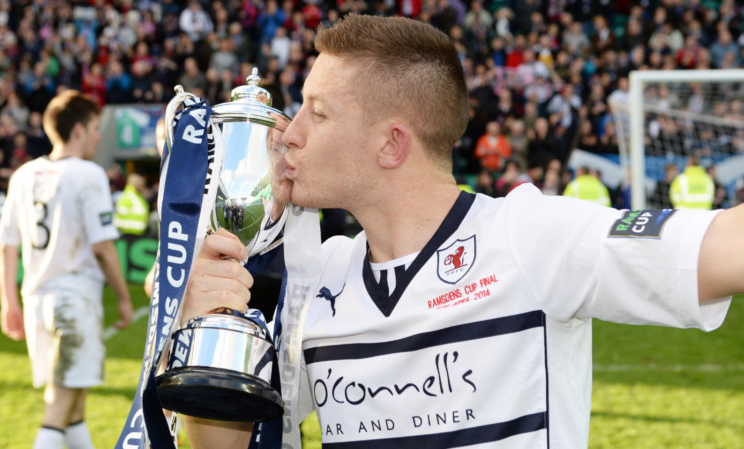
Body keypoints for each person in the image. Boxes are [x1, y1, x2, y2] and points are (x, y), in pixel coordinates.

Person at [178, 15, 743, 449]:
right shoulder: (318, 283)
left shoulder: (528, 235)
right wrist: (207, 345)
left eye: (316, 113)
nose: (288, 134)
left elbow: (723, 249)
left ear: (391, 143)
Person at [0, 90, 133, 449]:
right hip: (73, 300)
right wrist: (123, 298)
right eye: (94, 128)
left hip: (37, 302)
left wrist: (9, 302)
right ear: (78, 130)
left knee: (74, 405)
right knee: (57, 409)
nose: (98, 136)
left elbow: (6, 245)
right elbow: (103, 247)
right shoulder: (88, 174)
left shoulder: (24, 175)